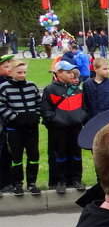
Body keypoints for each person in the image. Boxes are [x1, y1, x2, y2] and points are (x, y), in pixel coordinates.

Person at [42, 61, 88, 194]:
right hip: (59, 128)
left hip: (75, 127)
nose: (71, 74)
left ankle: (77, 179)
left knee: (76, 154)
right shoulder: (50, 89)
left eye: (72, 72)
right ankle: (60, 181)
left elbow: (84, 107)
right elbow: (46, 111)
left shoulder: (77, 90)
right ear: (59, 73)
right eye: (68, 72)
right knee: (60, 154)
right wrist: (57, 120)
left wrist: (79, 117)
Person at [0, 61, 42, 195]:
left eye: (24, 72)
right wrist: (14, 117)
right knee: (16, 157)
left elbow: (39, 103)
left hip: (31, 128)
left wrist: (36, 115)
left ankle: (32, 183)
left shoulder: (31, 85)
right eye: (19, 72)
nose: (22, 75)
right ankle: (17, 183)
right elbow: (1, 106)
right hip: (14, 129)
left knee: (33, 155)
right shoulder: (5, 88)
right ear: (11, 72)